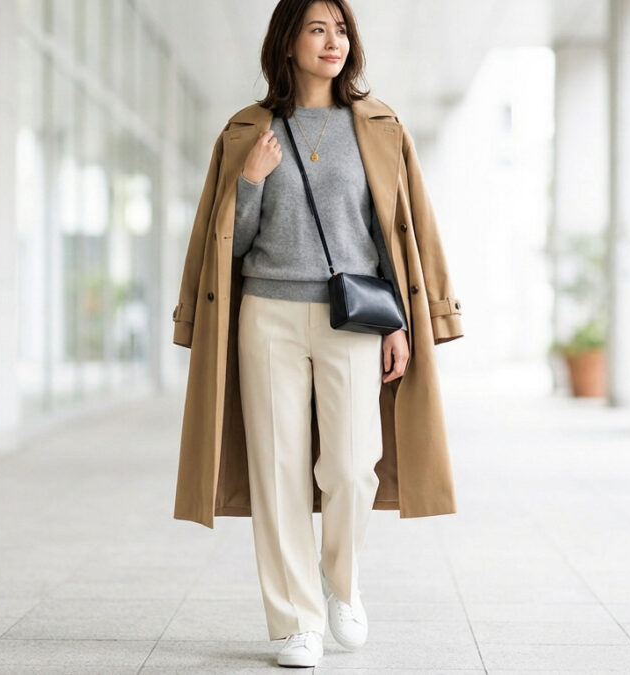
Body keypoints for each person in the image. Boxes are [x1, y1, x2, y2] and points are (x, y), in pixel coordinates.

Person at [170, 0, 464, 668]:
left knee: (353, 466)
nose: (333, 41)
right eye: (317, 28)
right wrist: (248, 183)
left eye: (341, 30)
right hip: (267, 316)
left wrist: (406, 323)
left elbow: (401, 231)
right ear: (288, 42)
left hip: (353, 318)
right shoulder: (249, 130)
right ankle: (295, 620)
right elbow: (229, 244)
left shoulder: (378, 127)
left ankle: (341, 578)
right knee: (277, 468)